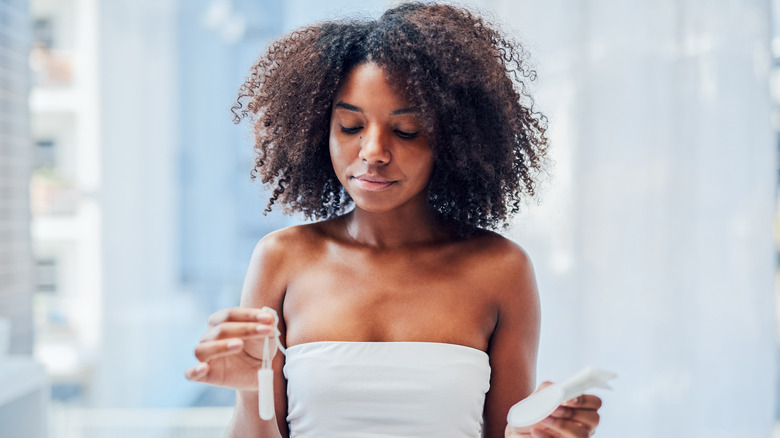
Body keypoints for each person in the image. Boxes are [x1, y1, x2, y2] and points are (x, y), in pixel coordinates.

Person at [185, 3, 603, 437]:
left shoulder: (501, 269)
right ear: (317, 128)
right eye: (350, 126)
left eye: (405, 131)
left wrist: (539, 433)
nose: (373, 152)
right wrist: (251, 391)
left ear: (454, 138)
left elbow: (509, 433)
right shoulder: (281, 259)